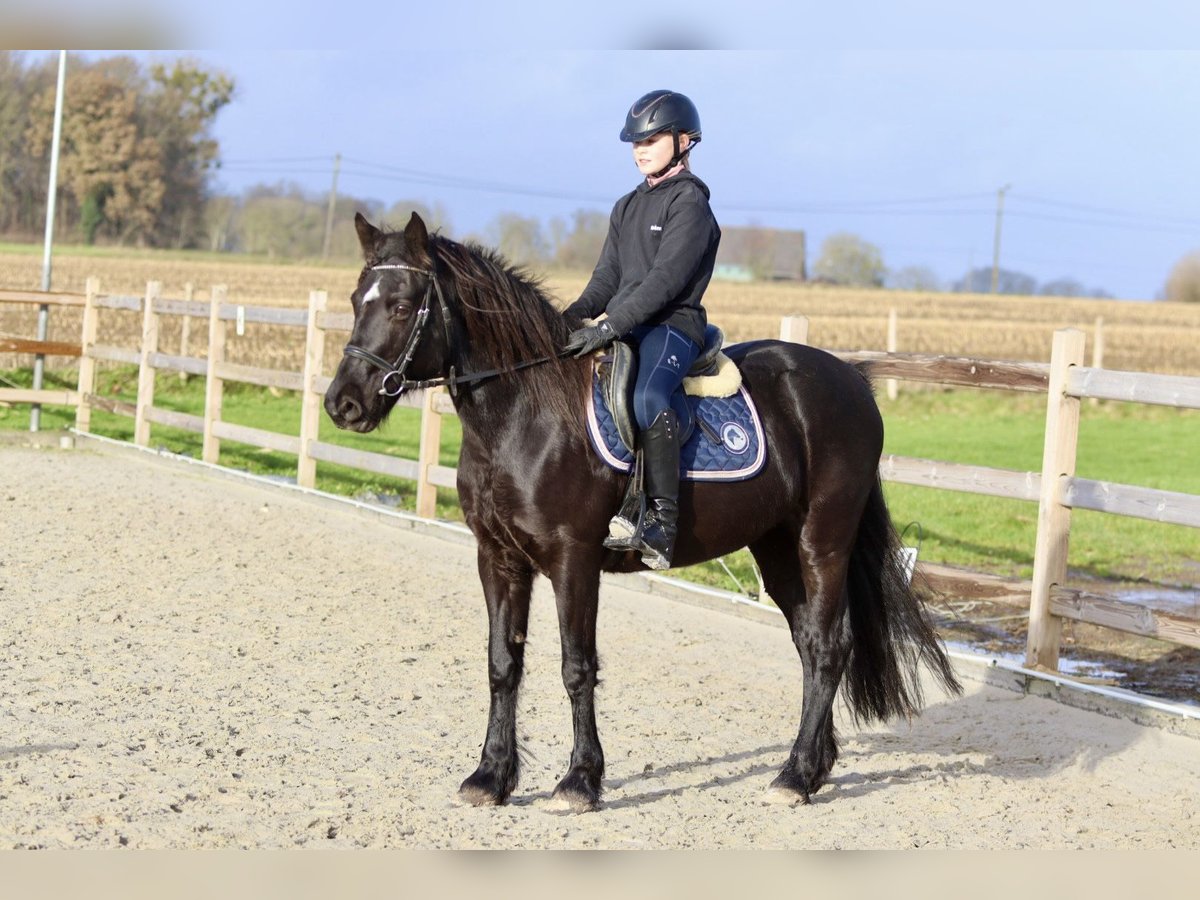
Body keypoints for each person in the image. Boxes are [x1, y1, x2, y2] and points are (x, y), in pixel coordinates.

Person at [563, 89, 721, 570]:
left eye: (651, 139)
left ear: (683, 140)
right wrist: (571, 316)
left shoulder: (690, 204)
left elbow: (663, 283)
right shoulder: (626, 206)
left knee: (648, 398)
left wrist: (609, 324)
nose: (640, 148)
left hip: (673, 325)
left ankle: (661, 520)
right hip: (629, 324)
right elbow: (607, 278)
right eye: (635, 141)